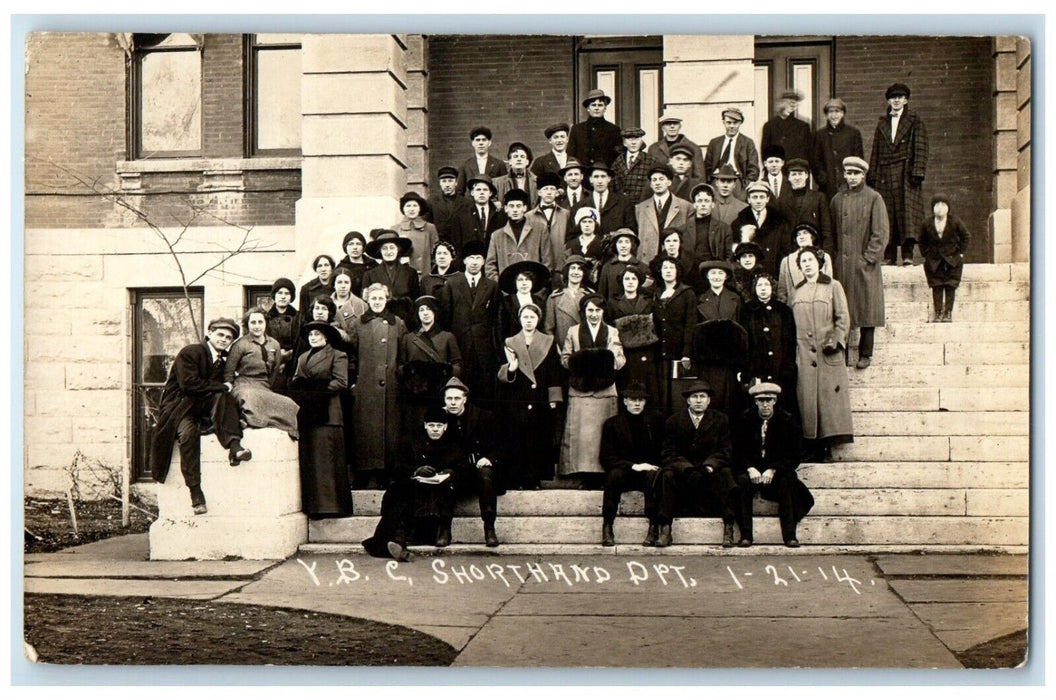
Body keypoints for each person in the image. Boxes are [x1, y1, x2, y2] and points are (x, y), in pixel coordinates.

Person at [148, 318, 252, 514]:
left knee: (223, 397)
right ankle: (196, 494)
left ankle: (235, 446)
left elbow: (222, 390)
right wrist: (221, 386)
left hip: (201, 408)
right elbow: (189, 384)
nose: (224, 340)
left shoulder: (223, 361)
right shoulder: (191, 352)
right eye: (220, 334)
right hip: (179, 408)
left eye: (228, 338)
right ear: (210, 333)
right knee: (188, 435)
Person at [361, 405, 466, 559]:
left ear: (445, 427)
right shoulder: (412, 442)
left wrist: (450, 473)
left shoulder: (454, 445)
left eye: (439, 426)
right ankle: (398, 543)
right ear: (425, 425)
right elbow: (398, 468)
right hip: (415, 491)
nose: (435, 429)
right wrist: (416, 471)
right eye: (431, 425)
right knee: (399, 495)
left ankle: (398, 542)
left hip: (440, 496)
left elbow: (463, 469)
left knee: (412, 498)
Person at [789, 246, 854, 462]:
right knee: (807, 401)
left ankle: (827, 446)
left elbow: (843, 318)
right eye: (803, 261)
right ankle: (811, 446)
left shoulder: (833, 286)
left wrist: (836, 339)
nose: (807, 264)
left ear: (819, 263)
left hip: (828, 353)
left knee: (828, 401)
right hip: (805, 356)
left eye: (810, 260)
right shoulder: (796, 291)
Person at [731, 383, 814, 547]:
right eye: (761, 400)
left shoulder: (787, 420)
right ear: (755, 402)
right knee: (741, 483)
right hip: (752, 470)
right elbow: (736, 450)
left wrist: (773, 469)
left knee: (788, 482)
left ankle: (790, 535)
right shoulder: (744, 419)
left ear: (775, 401)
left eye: (769, 400)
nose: (765, 404)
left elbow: (795, 454)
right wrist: (749, 468)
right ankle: (746, 535)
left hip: (776, 471)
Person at [661, 381, 739, 547]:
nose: (698, 400)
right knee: (667, 476)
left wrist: (710, 465)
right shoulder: (673, 421)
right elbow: (668, 453)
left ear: (709, 400)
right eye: (694, 397)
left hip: (709, 471)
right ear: (688, 400)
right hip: (684, 472)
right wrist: (685, 467)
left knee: (726, 475)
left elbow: (725, 451)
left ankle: (729, 528)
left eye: (702, 396)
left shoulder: (720, 420)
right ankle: (665, 528)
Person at [830, 156, 890, 370]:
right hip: (843, 265)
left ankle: (866, 353)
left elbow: (880, 233)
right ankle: (842, 351)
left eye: (856, 173)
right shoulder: (837, 199)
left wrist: (867, 258)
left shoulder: (874, 198)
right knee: (842, 308)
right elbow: (833, 233)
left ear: (863, 175)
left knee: (867, 309)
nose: (852, 177)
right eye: (849, 173)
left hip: (865, 265)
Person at [287, 320, 351, 519]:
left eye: (317, 334)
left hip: (329, 413)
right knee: (312, 460)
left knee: (328, 459)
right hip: (308, 412)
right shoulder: (303, 357)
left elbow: (341, 382)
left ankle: (333, 507)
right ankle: (315, 507)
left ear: (326, 337)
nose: (313, 338)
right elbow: (296, 380)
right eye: (311, 335)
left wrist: (312, 387)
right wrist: (303, 388)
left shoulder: (338, 355)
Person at [347, 282, 408, 486]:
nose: (377, 302)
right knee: (367, 430)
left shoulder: (397, 323)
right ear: (367, 300)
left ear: (387, 299)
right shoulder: (357, 324)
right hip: (366, 386)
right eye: (373, 298)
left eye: (381, 298)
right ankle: (368, 473)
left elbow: (403, 354)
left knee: (390, 430)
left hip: (391, 385)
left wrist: (398, 376)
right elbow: (351, 355)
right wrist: (354, 382)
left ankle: (388, 473)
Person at [559, 294, 626, 480]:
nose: (594, 314)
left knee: (603, 434)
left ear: (603, 311)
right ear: (584, 312)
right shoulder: (573, 331)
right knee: (581, 436)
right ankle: (581, 473)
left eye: (597, 310)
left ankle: (603, 473)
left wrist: (608, 362)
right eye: (590, 310)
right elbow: (565, 358)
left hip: (605, 390)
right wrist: (581, 363)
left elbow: (620, 359)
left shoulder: (612, 332)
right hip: (580, 390)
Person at [498, 303, 564, 488]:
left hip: (540, 397)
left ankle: (535, 479)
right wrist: (511, 369)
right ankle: (517, 478)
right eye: (525, 317)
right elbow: (502, 373)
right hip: (517, 396)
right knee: (518, 437)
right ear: (520, 319)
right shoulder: (510, 342)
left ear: (538, 319)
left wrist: (553, 398)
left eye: (532, 317)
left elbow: (554, 371)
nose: (529, 321)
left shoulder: (548, 340)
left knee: (538, 437)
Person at [599, 383, 672, 547]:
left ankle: (653, 528)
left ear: (645, 402)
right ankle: (607, 526)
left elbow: (664, 450)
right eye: (633, 400)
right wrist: (633, 466)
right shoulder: (613, 424)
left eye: (641, 400)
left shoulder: (656, 421)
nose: (637, 404)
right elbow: (607, 457)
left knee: (653, 476)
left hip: (649, 471)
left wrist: (651, 466)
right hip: (626, 470)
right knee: (613, 476)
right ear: (625, 401)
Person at [868, 83, 928, 265]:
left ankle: (908, 256)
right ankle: (889, 256)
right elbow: (875, 151)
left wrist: (917, 171)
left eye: (900, 97)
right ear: (888, 100)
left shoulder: (914, 120)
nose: (896, 100)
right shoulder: (882, 123)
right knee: (887, 213)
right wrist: (872, 175)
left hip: (906, 171)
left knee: (907, 215)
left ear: (905, 100)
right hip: (885, 172)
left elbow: (921, 146)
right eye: (893, 97)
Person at [441, 376, 503, 547]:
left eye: (457, 398)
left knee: (485, 473)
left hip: (479, 471)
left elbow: (500, 445)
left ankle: (489, 528)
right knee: (446, 476)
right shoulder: (441, 419)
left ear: (465, 399)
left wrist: (488, 458)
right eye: (449, 399)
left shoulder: (483, 417)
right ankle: (445, 529)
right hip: (457, 472)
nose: (452, 403)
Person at [438, 240, 500, 406]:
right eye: (471, 258)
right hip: (460, 346)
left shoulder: (492, 286)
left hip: (484, 349)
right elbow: (445, 318)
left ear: (483, 261)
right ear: (464, 260)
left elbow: (496, 319)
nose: (474, 262)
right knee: (460, 389)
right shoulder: (452, 284)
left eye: (478, 258)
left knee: (483, 394)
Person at [223, 307, 299, 438]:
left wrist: (267, 386)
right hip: (243, 385)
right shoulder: (240, 344)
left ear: (265, 323)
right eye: (253, 323)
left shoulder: (274, 344)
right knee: (249, 397)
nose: (257, 326)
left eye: (260, 322)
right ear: (247, 325)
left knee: (289, 404)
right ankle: (245, 419)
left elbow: (274, 371)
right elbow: (228, 372)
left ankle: (252, 420)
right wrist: (229, 387)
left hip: (264, 386)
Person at [399, 294, 461, 438]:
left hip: (438, 395)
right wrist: (412, 374)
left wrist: (441, 373)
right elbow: (400, 367)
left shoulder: (447, 337)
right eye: (421, 310)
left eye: (429, 309)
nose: (425, 313)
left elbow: (458, 365)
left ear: (435, 312)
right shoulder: (408, 338)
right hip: (415, 397)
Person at [694, 260, 748, 417]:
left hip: (729, 361)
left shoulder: (735, 299)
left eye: (720, 273)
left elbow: (741, 332)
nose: (716, 277)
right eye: (712, 273)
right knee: (710, 399)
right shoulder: (700, 300)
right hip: (708, 361)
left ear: (726, 277)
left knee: (729, 400)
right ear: (707, 277)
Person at [740, 273, 798, 416]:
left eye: (766, 285)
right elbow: (743, 342)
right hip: (756, 369)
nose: (763, 289)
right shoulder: (747, 310)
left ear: (772, 288)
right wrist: (747, 371)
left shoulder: (783, 310)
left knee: (783, 407)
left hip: (780, 368)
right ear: (755, 289)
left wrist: (788, 366)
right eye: (760, 285)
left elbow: (790, 341)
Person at [609, 265, 661, 402]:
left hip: (645, 353)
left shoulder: (648, 302)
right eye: (627, 279)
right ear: (622, 282)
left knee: (646, 386)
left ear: (638, 282)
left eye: (634, 278)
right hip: (624, 352)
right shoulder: (613, 303)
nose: (630, 281)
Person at [653, 255, 696, 413]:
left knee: (677, 396)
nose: (668, 271)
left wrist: (686, 352)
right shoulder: (656, 293)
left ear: (677, 271)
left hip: (678, 353)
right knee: (661, 394)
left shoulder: (686, 293)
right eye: (665, 268)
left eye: (671, 268)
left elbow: (690, 324)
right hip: (659, 353)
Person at [919, 194, 970, 322]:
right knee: (936, 286)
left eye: (943, 205)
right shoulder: (927, 223)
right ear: (932, 208)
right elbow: (921, 240)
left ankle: (948, 313)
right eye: (937, 205)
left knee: (950, 285)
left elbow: (966, 236)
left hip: (952, 260)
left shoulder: (955, 221)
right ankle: (938, 312)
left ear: (948, 208)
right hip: (934, 260)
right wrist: (926, 254)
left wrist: (961, 253)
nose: (940, 208)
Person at [484, 188, 552, 281]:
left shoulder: (540, 229)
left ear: (525, 208)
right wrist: (501, 285)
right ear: (506, 209)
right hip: (507, 291)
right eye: (511, 206)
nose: (515, 210)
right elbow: (490, 266)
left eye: (518, 206)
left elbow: (547, 261)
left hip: (533, 289)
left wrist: (538, 287)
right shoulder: (497, 235)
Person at [361, 229, 421, 330]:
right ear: (380, 251)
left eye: (392, 248)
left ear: (398, 249)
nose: (389, 252)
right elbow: (366, 302)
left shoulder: (410, 273)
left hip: (405, 322)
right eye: (385, 248)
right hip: (379, 322)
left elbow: (416, 300)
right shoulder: (369, 274)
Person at [635, 163, 691, 265]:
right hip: (648, 260)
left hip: (674, 262)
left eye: (661, 179)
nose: (657, 183)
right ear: (651, 184)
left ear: (669, 182)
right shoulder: (640, 208)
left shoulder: (685, 207)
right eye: (654, 180)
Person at [730, 180, 789, 278]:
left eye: (762, 197)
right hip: (748, 276)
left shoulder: (779, 221)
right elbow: (734, 253)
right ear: (749, 199)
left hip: (773, 273)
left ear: (767, 199)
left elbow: (785, 249)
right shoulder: (738, 222)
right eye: (754, 197)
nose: (758, 201)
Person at [812, 97, 865, 202]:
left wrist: (851, 178)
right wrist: (823, 179)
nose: (834, 115)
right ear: (827, 115)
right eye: (830, 112)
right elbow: (815, 161)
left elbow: (858, 158)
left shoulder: (853, 133)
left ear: (843, 114)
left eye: (837, 111)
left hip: (848, 183)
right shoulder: (820, 135)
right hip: (827, 186)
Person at [703, 107, 760, 198]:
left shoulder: (747, 143)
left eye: (735, 123)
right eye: (729, 123)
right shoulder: (715, 143)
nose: (732, 126)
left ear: (740, 123)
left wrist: (745, 185)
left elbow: (753, 169)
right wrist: (709, 183)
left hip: (738, 182)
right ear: (723, 122)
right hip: (716, 181)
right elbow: (707, 167)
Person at [777, 158, 832, 251]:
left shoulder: (818, 198)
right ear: (789, 177)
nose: (797, 178)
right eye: (794, 174)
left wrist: (826, 253)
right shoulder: (781, 200)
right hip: (790, 252)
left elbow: (826, 229)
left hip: (814, 251)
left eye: (800, 174)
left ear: (806, 175)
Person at [571, 161, 637, 238]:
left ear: (609, 179)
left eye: (603, 176)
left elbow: (631, 231)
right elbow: (573, 237)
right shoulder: (580, 206)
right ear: (590, 179)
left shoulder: (623, 202)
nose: (599, 181)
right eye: (596, 176)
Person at [526, 172, 571, 282]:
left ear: (557, 193)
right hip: (537, 266)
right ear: (539, 192)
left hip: (560, 265)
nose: (549, 192)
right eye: (546, 189)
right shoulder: (528, 216)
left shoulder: (566, 214)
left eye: (552, 189)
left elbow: (569, 240)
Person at [777, 223, 834, 305]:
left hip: (819, 306)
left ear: (813, 237)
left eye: (805, 233)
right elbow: (782, 290)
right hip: (795, 308)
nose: (801, 236)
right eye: (798, 234)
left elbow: (829, 285)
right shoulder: (787, 260)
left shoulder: (824, 257)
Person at [450, 174, 507, 253]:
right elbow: (456, 243)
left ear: (490, 193)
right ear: (472, 192)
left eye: (485, 190)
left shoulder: (500, 215)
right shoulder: (461, 215)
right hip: (470, 261)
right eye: (478, 190)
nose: (482, 193)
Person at [497, 260, 551, 340]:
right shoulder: (506, 302)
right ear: (515, 282)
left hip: (535, 344)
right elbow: (500, 327)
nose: (524, 283)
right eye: (520, 280)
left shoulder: (539, 302)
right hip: (512, 344)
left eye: (527, 279)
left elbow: (542, 326)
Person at [568, 88, 622, 168]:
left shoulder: (614, 130)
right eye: (593, 105)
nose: (596, 108)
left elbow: (618, 157)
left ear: (605, 108)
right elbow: (571, 155)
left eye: (600, 105)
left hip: (604, 176)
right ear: (588, 108)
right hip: (583, 176)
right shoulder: (577, 129)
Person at [392, 191, 439, 277]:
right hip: (402, 274)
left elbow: (436, 252)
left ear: (419, 208)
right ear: (403, 209)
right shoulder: (395, 229)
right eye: (408, 206)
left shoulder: (430, 228)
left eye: (415, 205)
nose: (412, 209)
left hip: (425, 273)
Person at [647, 114, 707, 180]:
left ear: (680, 126)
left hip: (685, 188)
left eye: (675, 123)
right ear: (663, 128)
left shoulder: (693, 148)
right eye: (668, 124)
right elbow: (649, 174)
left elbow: (700, 176)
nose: (672, 126)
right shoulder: (654, 148)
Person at [686, 182, 734, 263]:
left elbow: (729, 256)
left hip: (714, 271)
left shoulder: (724, 229)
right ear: (694, 205)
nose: (703, 204)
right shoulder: (685, 229)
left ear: (712, 204)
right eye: (700, 201)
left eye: (707, 201)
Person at [597, 228, 650, 302]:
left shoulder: (642, 267)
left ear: (632, 245)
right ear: (615, 245)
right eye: (620, 242)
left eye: (627, 242)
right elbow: (602, 294)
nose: (623, 246)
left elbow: (647, 294)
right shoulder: (608, 267)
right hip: (613, 310)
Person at [761, 90, 812, 165]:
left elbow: (807, 152)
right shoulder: (770, 126)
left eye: (794, 102)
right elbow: (765, 151)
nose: (792, 104)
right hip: (777, 170)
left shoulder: (803, 126)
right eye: (789, 102)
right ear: (781, 103)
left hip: (796, 170)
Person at [612, 125, 661, 204]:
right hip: (622, 206)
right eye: (630, 139)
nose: (633, 142)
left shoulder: (651, 161)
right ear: (624, 143)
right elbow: (612, 187)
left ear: (641, 142)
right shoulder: (617, 162)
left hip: (643, 206)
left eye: (637, 139)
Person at [265, 277, 299, 384]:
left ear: (291, 297)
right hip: (271, 363)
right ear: (274, 296)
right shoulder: (266, 318)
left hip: (293, 364)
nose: (283, 296)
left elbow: (301, 342)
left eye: (287, 293)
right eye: (280, 293)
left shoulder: (299, 318)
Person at [455, 126, 506, 196]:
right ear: (473, 143)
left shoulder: (499, 164)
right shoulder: (465, 166)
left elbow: (504, 188)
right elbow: (459, 191)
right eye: (478, 140)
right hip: (471, 204)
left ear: (489, 143)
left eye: (484, 140)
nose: (481, 143)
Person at [426, 165, 471, 244]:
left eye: (450, 181)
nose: (447, 184)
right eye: (444, 181)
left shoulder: (466, 202)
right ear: (440, 183)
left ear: (456, 183)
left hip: (460, 244)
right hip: (439, 245)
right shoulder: (431, 202)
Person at [565, 207, 607, 286]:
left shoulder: (603, 243)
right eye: (584, 222)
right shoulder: (571, 244)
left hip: (597, 283)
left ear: (595, 224)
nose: (587, 225)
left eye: (590, 222)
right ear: (579, 224)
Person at [650, 228, 698, 293]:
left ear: (680, 243)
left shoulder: (691, 261)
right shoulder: (656, 263)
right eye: (668, 241)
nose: (671, 244)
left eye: (675, 241)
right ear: (663, 244)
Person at [330, 267, 368, 347]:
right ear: (334, 284)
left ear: (351, 284)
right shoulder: (325, 303)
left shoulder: (361, 305)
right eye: (339, 282)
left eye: (346, 282)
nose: (343, 286)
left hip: (352, 350)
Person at [296, 254, 336, 325]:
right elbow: (303, 315)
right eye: (319, 266)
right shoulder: (307, 288)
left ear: (331, 268)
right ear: (316, 269)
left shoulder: (337, 287)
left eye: (326, 265)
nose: (323, 269)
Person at [494, 142, 538, 206]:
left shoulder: (537, 182)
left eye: (522, 157)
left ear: (527, 162)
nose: (519, 159)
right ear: (510, 161)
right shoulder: (497, 183)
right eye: (515, 156)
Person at [336, 231, 376, 298]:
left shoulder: (373, 265)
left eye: (358, 244)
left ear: (363, 247)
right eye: (351, 244)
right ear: (345, 247)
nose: (355, 247)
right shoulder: (341, 268)